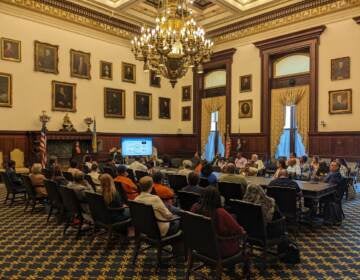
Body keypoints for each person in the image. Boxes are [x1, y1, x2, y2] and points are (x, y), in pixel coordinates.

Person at [191, 186, 246, 258]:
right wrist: (243, 231)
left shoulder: (195, 207)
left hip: (199, 246)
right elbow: (238, 230)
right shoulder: (220, 212)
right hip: (218, 250)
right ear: (218, 198)